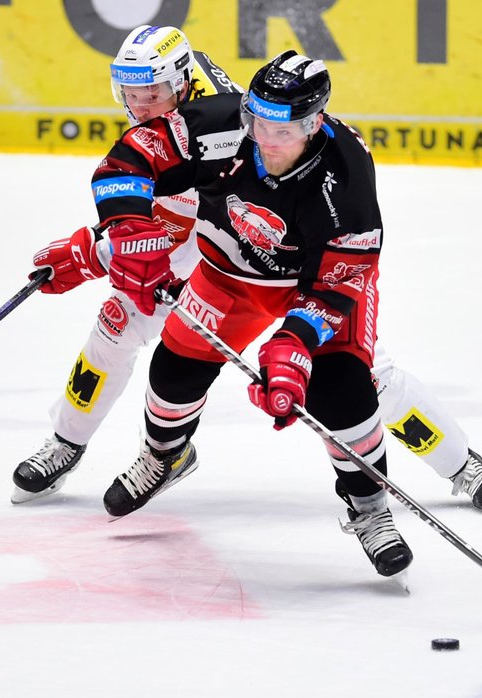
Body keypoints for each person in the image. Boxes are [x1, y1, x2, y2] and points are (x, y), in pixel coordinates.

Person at [15, 25, 482, 520]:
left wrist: (99, 255)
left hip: (287, 263)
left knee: (359, 375)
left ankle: (458, 463)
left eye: (154, 92)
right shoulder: (185, 111)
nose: (142, 105)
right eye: (133, 93)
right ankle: (70, 443)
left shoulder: (228, 124)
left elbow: (185, 226)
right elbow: (147, 202)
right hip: (227, 264)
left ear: (183, 82)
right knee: (118, 325)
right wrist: (105, 244)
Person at [92, 50, 420, 576]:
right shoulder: (223, 125)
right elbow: (129, 159)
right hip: (231, 273)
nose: (264, 138)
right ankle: (165, 455)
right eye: (256, 120)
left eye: (281, 128)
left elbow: (344, 277)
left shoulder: (347, 171)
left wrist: (294, 343)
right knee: (175, 367)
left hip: (314, 286)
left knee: (342, 393)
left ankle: (370, 507)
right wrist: (127, 226)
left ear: (314, 123)